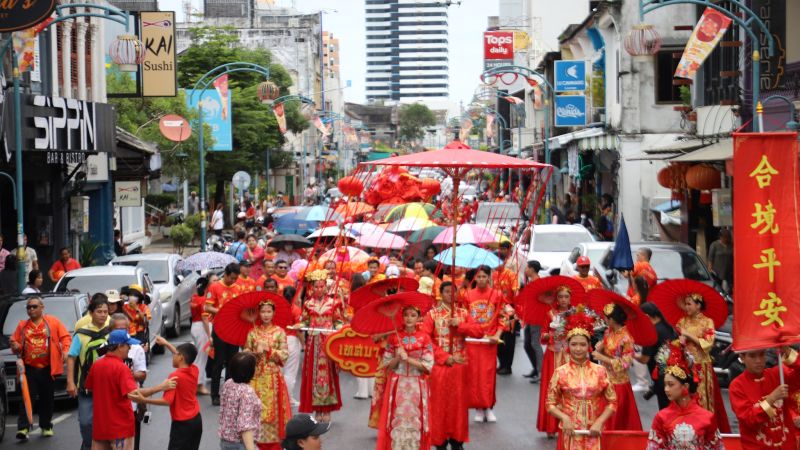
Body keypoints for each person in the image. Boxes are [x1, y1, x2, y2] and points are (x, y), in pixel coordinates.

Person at [85, 330, 175, 450]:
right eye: (128, 345)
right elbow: (134, 395)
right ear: (119, 346)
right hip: (120, 430)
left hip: (100, 428)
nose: (130, 348)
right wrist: (160, 387)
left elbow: (90, 388)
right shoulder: (122, 368)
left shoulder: (97, 365)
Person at [422, 281, 483, 450]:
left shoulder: (463, 314)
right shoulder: (432, 315)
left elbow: (479, 332)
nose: (450, 295)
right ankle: (440, 440)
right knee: (439, 404)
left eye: (453, 292)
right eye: (447, 292)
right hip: (440, 367)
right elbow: (425, 340)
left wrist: (461, 325)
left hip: (459, 366)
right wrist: (443, 356)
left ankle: (457, 440)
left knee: (458, 405)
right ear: (441, 294)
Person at [546, 307, 617, 450]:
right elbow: (550, 404)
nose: (578, 349)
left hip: (595, 433)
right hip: (570, 434)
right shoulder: (560, 372)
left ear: (589, 346)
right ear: (568, 345)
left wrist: (600, 422)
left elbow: (613, 402)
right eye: (574, 344)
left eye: (582, 344)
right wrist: (564, 418)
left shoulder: (600, 371)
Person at [10, 296, 71, 440]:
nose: (31, 309)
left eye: (34, 306)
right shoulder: (22, 325)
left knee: (47, 398)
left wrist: (65, 350)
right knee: (26, 398)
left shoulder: (53, 322)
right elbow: (15, 342)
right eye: (29, 307)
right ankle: (23, 428)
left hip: (48, 368)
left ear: (42, 307)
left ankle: (45, 426)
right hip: (29, 368)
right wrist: (15, 346)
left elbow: (66, 337)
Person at [376, 305, 435, 450]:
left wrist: (408, 359)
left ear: (419, 318)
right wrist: (397, 357)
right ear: (402, 317)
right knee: (397, 420)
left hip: (417, 384)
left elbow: (428, 366)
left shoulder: (425, 338)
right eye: (406, 315)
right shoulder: (394, 338)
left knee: (416, 421)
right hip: (398, 385)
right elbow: (387, 365)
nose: (409, 318)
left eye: (413, 315)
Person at [647, 340, 723, 449]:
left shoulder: (707, 417)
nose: (666, 389)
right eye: (665, 385)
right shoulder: (661, 417)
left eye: (671, 384)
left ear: (685, 386)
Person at [135, 337, 203, 450]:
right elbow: (181, 356)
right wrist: (166, 343)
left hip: (182, 425)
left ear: (181, 357)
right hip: (196, 420)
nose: (173, 356)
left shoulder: (175, 377)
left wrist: (144, 400)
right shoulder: (194, 369)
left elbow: (167, 401)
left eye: (175, 354)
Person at [676, 293, 731, 433]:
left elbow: (707, 344)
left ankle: (706, 429)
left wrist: (688, 335)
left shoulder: (707, 322)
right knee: (686, 398)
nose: (686, 307)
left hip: (702, 367)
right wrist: (680, 342)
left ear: (698, 305)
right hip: (687, 367)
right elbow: (678, 342)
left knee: (703, 399)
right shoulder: (682, 322)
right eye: (686, 304)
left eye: (689, 304)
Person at [295, 270, 344, 422]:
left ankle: (327, 407)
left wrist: (340, 329)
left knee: (328, 375)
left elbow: (338, 321)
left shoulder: (333, 302)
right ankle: (317, 408)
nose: (319, 289)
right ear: (311, 288)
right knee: (314, 375)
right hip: (314, 344)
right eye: (316, 287)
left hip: (328, 342)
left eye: (321, 286)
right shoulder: (308, 303)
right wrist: (300, 325)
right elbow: (305, 321)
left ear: (325, 287)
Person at [730, 347, 800, 450]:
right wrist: (771, 399)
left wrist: (786, 350)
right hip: (757, 446)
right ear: (742, 357)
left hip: (787, 445)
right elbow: (749, 420)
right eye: (752, 356)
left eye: (762, 355)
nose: (758, 360)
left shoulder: (777, 374)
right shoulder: (737, 386)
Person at [244, 300, 292, 450]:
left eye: (268, 311)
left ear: (273, 313)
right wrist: (253, 353)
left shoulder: (279, 332)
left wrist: (269, 350)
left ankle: (274, 443)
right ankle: (256, 442)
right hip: (255, 378)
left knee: (273, 413)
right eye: (263, 311)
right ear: (259, 313)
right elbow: (245, 352)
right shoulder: (253, 332)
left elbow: (285, 355)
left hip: (273, 378)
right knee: (255, 411)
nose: (265, 315)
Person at [464, 265, 508, 423]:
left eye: (484, 276)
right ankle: (478, 408)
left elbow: (503, 316)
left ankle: (488, 407)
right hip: (473, 342)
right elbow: (463, 316)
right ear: (475, 278)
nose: (481, 279)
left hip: (489, 341)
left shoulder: (497, 294)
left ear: (489, 277)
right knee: (474, 375)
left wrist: (497, 334)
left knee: (487, 375)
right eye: (479, 276)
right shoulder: (467, 295)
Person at [67, 294, 111, 450]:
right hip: (86, 387)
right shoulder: (81, 334)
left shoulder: (111, 331)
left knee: (109, 424)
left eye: (105, 311)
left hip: (108, 389)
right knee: (86, 422)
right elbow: (71, 357)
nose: (103, 314)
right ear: (91, 313)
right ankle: (88, 446)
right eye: (99, 311)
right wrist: (70, 382)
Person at [591, 304, 642, 430]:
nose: (605, 321)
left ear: (612, 320)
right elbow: (606, 349)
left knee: (615, 418)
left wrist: (601, 357)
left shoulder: (627, 338)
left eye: (606, 319)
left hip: (619, 383)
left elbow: (625, 364)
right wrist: (601, 347)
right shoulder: (609, 332)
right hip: (605, 379)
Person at [537, 285, 572, 437]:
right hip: (553, 355)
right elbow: (543, 334)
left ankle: (570, 424)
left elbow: (584, 333)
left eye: (566, 296)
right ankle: (550, 426)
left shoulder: (576, 313)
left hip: (571, 356)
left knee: (572, 390)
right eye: (560, 297)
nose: (563, 299)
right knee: (552, 389)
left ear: (570, 298)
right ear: (556, 298)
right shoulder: (550, 313)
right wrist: (550, 336)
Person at [206, 263, 243, 405]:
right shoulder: (215, 287)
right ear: (226, 274)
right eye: (231, 278)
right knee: (218, 362)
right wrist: (223, 311)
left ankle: (229, 393)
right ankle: (215, 394)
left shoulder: (238, 288)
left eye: (235, 279)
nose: (233, 281)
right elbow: (207, 307)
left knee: (232, 362)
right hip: (220, 328)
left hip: (233, 328)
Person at [638, 302, 678, 410]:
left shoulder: (651, 332)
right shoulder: (667, 327)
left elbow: (644, 359)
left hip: (661, 379)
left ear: (646, 316)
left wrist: (632, 354)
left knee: (665, 409)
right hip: (675, 374)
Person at [219, 352, 262, 450]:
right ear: (249, 371)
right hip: (241, 443)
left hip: (226, 440)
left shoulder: (228, 383)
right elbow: (245, 425)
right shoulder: (247, 392)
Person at [522, 261, 544, 384]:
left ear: (532, 269)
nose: (525, 270)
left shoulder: (538, 283)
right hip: (530, 316)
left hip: (536, 317)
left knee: (535, 344)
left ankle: (541, 371)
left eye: (527, 268)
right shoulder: (531, 282)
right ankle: (536, 368)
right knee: (527, 344)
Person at [190, 277, 212, 395]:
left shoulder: (194, 298)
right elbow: (204, 318)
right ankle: (198, 384)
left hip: (195, 326)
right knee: (201, 358)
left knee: (199, 356)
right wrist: (210, 336)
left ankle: (197, 383)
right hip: (201, 328)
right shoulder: (203, 300)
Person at [282, 286, 303, 407]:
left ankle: (279, 397)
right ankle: (288, 398)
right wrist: (304, 344)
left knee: (280, 371)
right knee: (290, 372)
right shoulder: (295, 309)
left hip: (277, 339)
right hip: (291, 340)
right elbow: (299, 330)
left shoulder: (277, 308)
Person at [707, 229, 733, 294]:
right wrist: (710, 269)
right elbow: (710, 258)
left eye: (727, 237)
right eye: (724, 237)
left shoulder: (731, 245)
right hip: (717, 272)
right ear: (720, 237)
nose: (726, 239)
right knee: (717, 289)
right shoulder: (714, 245)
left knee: (729, 289)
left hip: (728, 271)